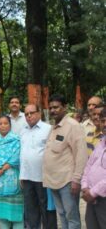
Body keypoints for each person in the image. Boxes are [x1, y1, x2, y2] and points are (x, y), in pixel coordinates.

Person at [42, 94, 88, 229]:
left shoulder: (73, 126)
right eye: (50, 108)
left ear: (65, 108)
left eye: (56, 107)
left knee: (71, 216)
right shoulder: (54, 126)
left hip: (67, 181)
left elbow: (81, 155)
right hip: (53, 180)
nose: (52, 110)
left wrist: (77, 180)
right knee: (61, 214)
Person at [20, 104, 57, 229]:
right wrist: (21, 175)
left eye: (32, 113)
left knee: (46, 207)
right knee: (30, 209)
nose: (29, 116)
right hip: (27, 177)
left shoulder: (48, 129)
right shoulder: (23, 130)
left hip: (43, 177)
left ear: (39, 113)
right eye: (26, 114)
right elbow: (22, 154)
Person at [0, 115, 23, 229]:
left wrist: (3, 168)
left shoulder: (16, 139)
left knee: (16, 211)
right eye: (0, 124)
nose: (3, 126)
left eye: (5, 123)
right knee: (2, 213)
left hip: (13, 179)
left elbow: (16, 157)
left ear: (10, 125)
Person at [81, 107, 106, 229]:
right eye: (103, 120)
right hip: (92, 198)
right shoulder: (102, 142)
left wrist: (93, 192)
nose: (105, 124)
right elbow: (89, 165)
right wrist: (85, 186)